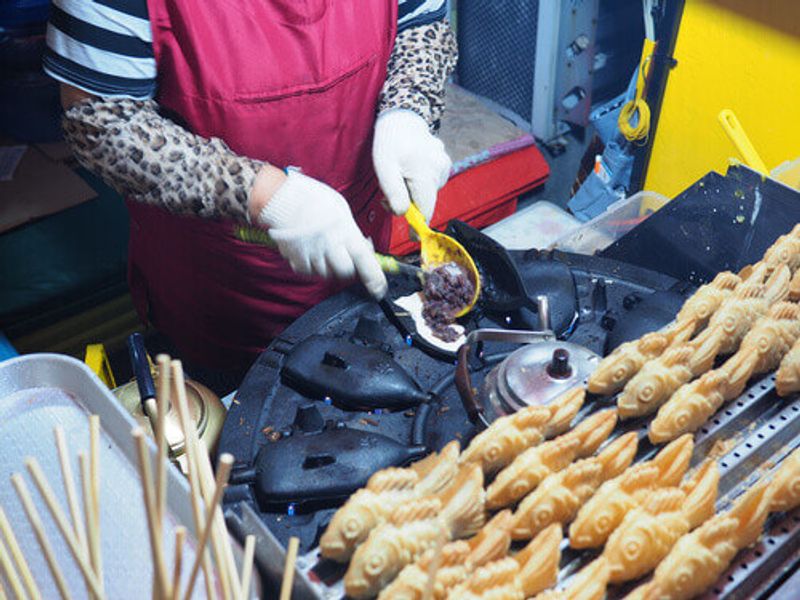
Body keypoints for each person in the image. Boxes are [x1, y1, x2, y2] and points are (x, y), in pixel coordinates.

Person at [44, 0, 457, 372]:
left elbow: (421, 23)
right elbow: (100, 123)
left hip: (363, 257)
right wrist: (262, 195)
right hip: (220, 295)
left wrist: (409, 109)